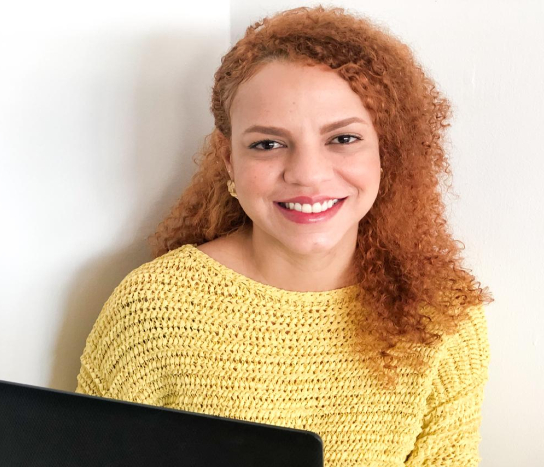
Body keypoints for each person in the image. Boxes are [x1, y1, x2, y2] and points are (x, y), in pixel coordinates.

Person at [75, 6, 493, 466]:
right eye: (268, 144)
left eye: (343, 139)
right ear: (230, 161)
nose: (308, 175)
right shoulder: (153, 309)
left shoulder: (443, 317)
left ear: (385, 152)